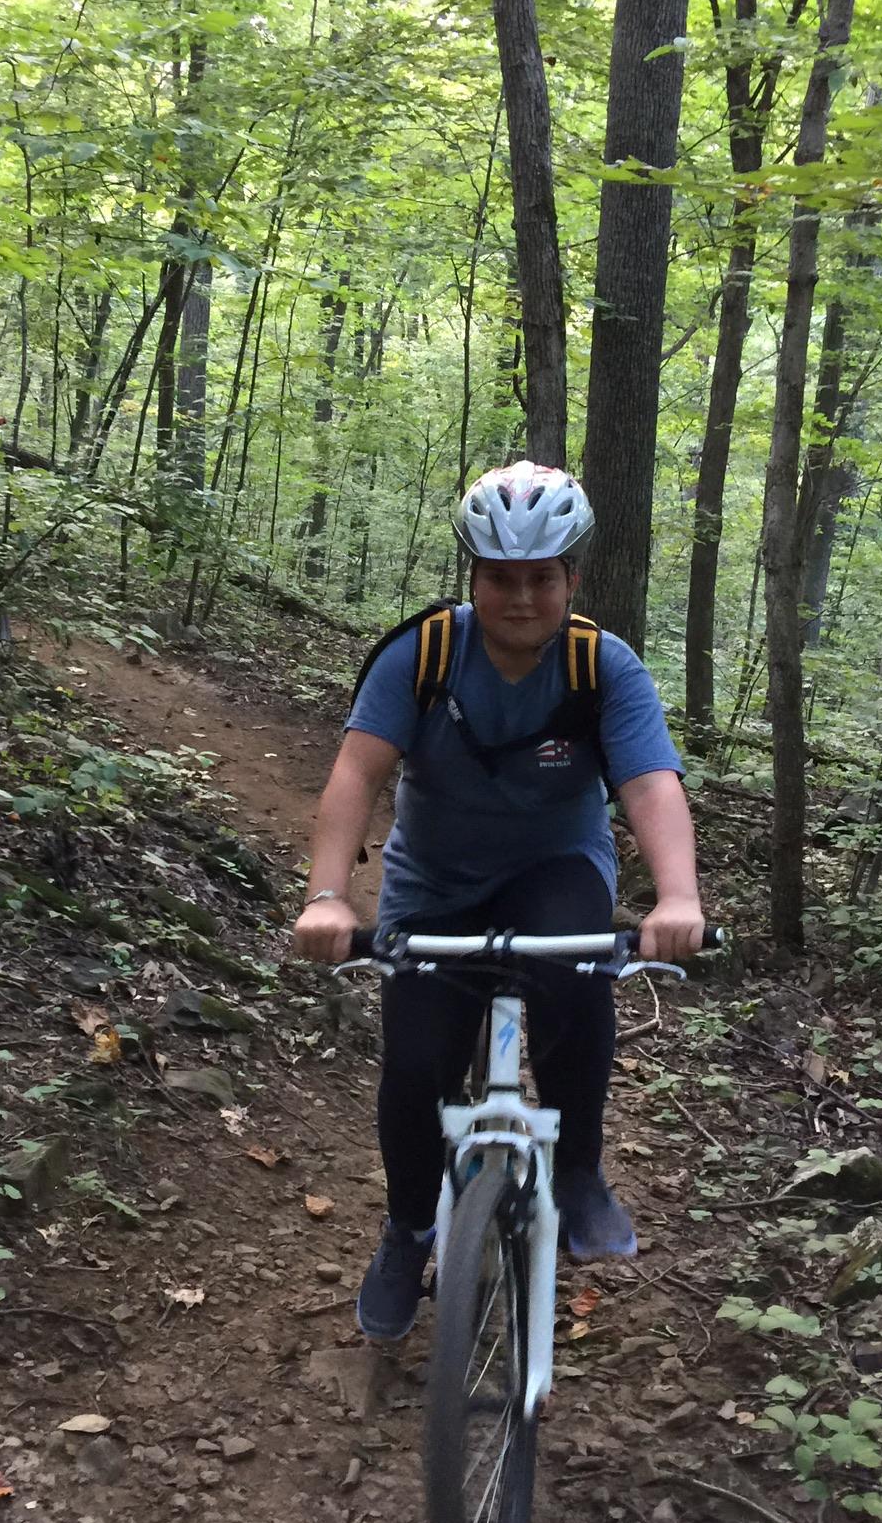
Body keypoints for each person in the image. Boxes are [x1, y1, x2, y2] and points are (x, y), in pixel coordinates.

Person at [292, 460, 704, 1342]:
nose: (522, 598)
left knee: (580, 965)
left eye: (542, 579)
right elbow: (356, 773)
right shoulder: (423, 654)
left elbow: (651, 788)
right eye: (501, 579)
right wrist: (329, 895)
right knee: (414, 1066)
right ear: (473, 578)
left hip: (553, 867)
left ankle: (580, 1171)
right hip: (435, 883)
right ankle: (408, 1232)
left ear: (571, 580)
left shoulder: (604, 667)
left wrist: (676, 896)